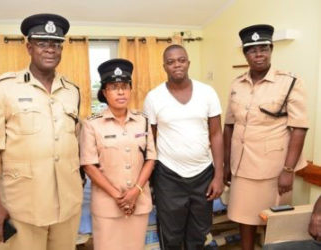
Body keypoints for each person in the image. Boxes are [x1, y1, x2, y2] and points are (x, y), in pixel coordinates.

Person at [0, 13, 83, 250]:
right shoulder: (3, 89)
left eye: (56, 44)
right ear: (29, 47)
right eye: (42, 43)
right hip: (24, 205)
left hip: (67, 204)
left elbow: (74, 142)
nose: (50, 50)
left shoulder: (72, 91)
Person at [223, 24, 309, 250]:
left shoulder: (290, 82)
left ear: (271, 50)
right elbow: (229, 126)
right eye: (252, 50)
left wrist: (288, 171)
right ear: (245, 54)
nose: (258, 54)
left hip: (273, 168)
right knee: (243, 219)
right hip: (241, 165)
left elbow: (299, 128)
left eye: (263, 48)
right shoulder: (237, 84)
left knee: (275, 221)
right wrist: (225, 165)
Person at [143, 44, 224, 250]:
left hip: (203, 174)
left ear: (188, 62)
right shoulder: (154, 97)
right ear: (164, 66)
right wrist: (149, 179)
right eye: (170, 62)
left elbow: (216, 134)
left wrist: (219, 175)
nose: (176, 65)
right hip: (168, 175)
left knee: (198, 234)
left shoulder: (207, 92)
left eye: (181, 60)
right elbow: (149, 141)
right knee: (171, 235)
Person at [80, 58, 157, 250]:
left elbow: (151, 158)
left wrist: (135, 191)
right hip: (107, 205)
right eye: (114, 87)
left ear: (130, 90)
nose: (121, 91)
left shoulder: (143, 121)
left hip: (139, 202)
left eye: (125, 86)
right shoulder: (91, 124)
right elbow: (89, 165)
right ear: (105, 92)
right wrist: (119, 197)